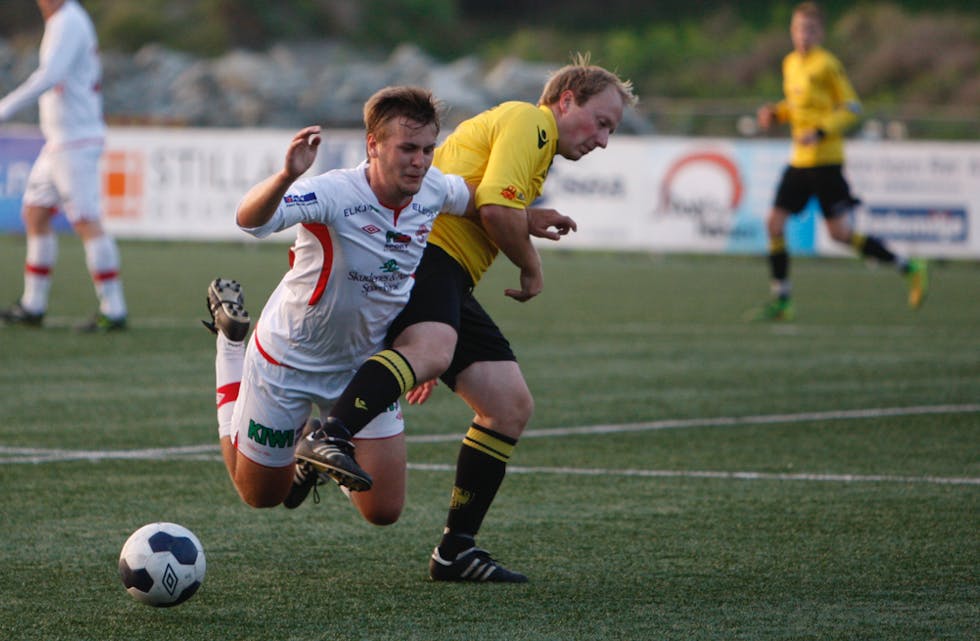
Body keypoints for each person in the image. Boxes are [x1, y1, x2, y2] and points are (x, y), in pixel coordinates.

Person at [294, 53, 636, 582]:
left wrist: (528, 216)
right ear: (566, 101)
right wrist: (531, 266)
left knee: (508, 406)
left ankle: (455, 550)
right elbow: (495, 209)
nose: (604, 139)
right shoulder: (532, 121)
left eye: (611, 130)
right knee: (440, 359)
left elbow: (483, 199)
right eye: (601, 122)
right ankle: (330, 435)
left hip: (446, 272)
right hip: (427, 256)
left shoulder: (533, 137)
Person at [202, 87, 475, 521]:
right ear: (373, 145)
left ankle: (316, 444)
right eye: (408, 148)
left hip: (364, 369)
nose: (420, 161)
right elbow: (249, 220)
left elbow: (476, 200)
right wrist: (286, 176)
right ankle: (230, 344)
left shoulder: (433, 188)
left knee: (383, 511)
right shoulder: (334, 193)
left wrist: (531, 219)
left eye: (428, 149)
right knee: (262, 495)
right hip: (287, 361)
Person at [751, 1, 927, 321]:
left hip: (826, 163)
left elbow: (852, 108)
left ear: (820, 33)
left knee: (840, 234)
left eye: (810, 29)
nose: (803, 34)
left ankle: (908, 266)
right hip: (799, 161)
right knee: (773, 223)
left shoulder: (827, 64)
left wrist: (821, 131)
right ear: (791, 31)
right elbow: (796, 105)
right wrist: (776, 114)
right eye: (798, 28)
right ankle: (782, 300)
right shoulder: (790, 63)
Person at [0, 0, 127, 331]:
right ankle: (33, 304)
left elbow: (50, 75)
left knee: (86, 220)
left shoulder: (69, 20)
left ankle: (114, 309)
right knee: (35, 213)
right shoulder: (62, 20)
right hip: (59, 141)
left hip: (76, 140)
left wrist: (5, 108)